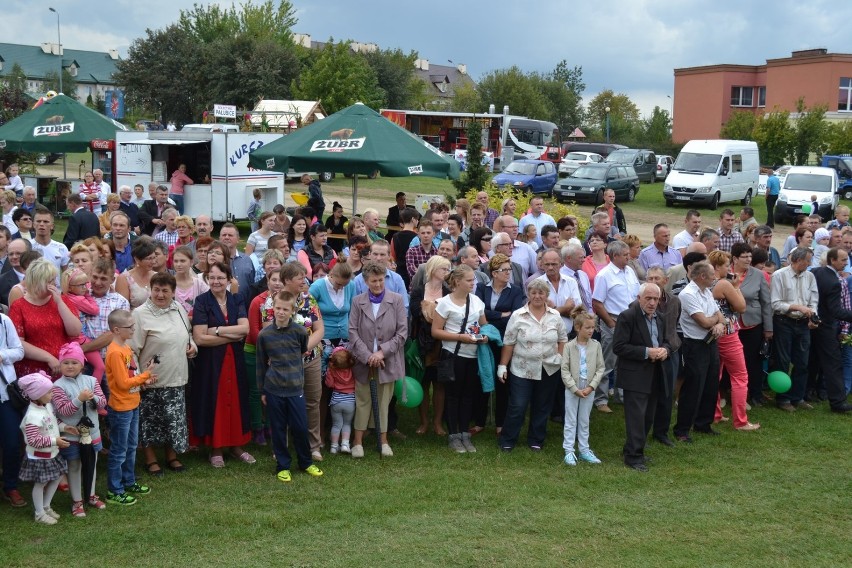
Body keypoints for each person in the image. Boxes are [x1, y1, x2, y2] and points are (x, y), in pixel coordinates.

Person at [133, 273, 197, 477]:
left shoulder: (178, 308)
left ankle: (172, 456)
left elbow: (187, 335)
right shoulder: (140, 314)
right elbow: (132, 349)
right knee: (150, 421)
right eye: (156, 290)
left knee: (173, 420)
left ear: (173, 292)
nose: (160, 295)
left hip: (177, 376)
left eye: (165, 291)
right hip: (152, 379)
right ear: (150, 290)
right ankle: (151, 460)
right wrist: (137, 377)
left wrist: (192, 347)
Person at [190, 262, 254, 467]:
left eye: (220, 277)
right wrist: (230, 336)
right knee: (214, 400)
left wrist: (216, 330)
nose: (216, 281)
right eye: (212, 277)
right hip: (211, 363)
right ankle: (216, 448)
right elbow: (199, 339)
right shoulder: (201, 301)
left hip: (234, 361)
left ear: (228, 279)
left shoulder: (237, 299)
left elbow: (245, 329)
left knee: (236, 400)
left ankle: (236, 446)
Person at [256, 290, 324, 482]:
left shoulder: (300, 332)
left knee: (301, 427)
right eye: (278, 308)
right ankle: (283, 465)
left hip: (295, 388)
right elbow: (261, 364)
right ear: (273, 309)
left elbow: (302, 351)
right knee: (278, 428)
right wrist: (262, 390)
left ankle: (306, 462)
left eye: (285, 309)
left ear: (292, 311)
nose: (281, 312)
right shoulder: (264, 335)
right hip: (274, 388)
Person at [497, 278, 568, 452]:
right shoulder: (518, 315)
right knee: (518, 405)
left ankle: (536, 439)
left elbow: (562, 339)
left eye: (541, 293)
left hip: (549, 368)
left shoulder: (555, 315)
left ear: (547, 295)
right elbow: (509, 342)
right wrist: (502, 366)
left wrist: (559, 357)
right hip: (522, 368)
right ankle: (508, 438)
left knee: (542, 405)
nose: (537, 296)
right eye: (533, 293)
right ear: (528, 294)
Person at [347, 262, 408, 458]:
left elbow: (402, 332)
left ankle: (383, 441)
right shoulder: (358, 301)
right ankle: (357, 443)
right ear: (365, 281)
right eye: (374, 281)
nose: (378, 284)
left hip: (387, 360)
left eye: (381, 280)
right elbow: (352, 331)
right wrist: (367, 356)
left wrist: (381, 353)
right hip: (363, 361)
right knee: (362, 399)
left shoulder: (396, 300)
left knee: (384, 402)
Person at [613, 283, 671, 472]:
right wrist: (647, 352)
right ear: (639, 298)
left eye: (656, 299)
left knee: (648, 417)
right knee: (636, 417)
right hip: (635, 375)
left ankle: (634, 449)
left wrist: (665, 350)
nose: (653, 302)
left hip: (655, 372)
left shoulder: (660, 318)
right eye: (648, 298)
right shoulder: (627, 317)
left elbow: (665, 341)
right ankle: (633, 457)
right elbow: (619, 347)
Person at [431, 265, 488, 453]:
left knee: (468, 396)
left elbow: (483, 325)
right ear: (457, 282)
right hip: (453, 355)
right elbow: (436, 331)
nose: (473, 283)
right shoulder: (445, 303)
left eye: (474, 280)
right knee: (453, 396)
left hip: (473, 355)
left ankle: (465, 433)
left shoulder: (477, 301)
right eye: (469, 280)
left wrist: (485, 336)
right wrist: (459, 337)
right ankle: (453, 435)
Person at [104, 309, 155, 506]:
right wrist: (145, 375)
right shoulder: (115, 352)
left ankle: (128, 481)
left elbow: (130, 377)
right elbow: (124, 383)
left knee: (132, 446)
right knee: (119, 449)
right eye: (130, 327)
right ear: (117, 329)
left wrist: (144, 380)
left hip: (133, 403)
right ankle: (114, 490)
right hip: (121, 408)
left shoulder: (125, 348)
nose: (134, 329)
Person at [51, 342, 107, 517]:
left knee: (92, 463)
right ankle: (77, 501)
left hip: (92, 433)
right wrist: (79, 399)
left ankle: (90, 495)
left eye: (74, 362)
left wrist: (93, 399)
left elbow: (103, 402)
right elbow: (63, 410)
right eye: (65, 363)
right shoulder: (57, 386)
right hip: (71, 435)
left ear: (82, 364)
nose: (70, 366)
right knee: (74, 466)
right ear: (60, 365)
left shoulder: (91, 381)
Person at [707, 250, 760, 431]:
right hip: (728, 334)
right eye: (725, 265)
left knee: (716, 375)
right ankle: (741, 421)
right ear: (717, 267)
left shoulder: (704, 283)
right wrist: (736, 286)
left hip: (713, 335)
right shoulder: (723, 284)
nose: (728, 268)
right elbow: (741, 307)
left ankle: (714, 414)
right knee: (740, 377)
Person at [674, 261, 726, 442]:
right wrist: (716, 321)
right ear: (702, 276)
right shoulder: (687, 294)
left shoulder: (706, 292)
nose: (715, 277)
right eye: (712, 275)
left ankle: (703, 423)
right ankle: (682, 429)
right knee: (693, 387)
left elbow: (720, 317)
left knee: (711, 385)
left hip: (710, 343)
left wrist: (719, 324)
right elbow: (703, 322)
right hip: (694, 345)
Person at [474, 253, 525, 436]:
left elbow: (515, 315)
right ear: (494, 273)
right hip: (485, 341)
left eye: (509, 269)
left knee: (503, 381)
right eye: (504, 270)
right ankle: (479, 421)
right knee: (483, 376)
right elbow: (479, 311)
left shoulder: (516, 290)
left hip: (505, 341)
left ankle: (500, 423)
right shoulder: (482, 288)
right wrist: (500, 315)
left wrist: (491, 317)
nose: (508, 273)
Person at [280, 262, 326, 461]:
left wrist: (304, 348)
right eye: (300, 277)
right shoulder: (273, 301)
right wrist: (290, 353)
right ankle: (283, 445)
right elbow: (270, 331)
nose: (304, 280)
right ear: (287, 280)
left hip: (311, 359)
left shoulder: (310, 300)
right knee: (283, 404)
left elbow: (319, 329)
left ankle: (313, 445)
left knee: (312, 402)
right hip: (283, 362)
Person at [17, 372, 73, 524]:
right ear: (37, 395)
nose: (52, 394)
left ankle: (46, 506)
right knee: (40, 484)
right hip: (39, 456)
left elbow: (51, 424)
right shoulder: (33, 416)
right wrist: (56, 441)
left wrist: (65, 427)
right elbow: (33, 440)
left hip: (51, 452)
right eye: (49, 392)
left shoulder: (46, 406)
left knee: (56, 477)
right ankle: (39, 513)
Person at [10, 259, 81, 377]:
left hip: (64, 366)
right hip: (34, 370)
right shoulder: (19, 306)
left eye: (54, 279)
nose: (54, 284)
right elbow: (18, 343)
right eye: (50, 281)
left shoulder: (62, 300)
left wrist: (59, 303)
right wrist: (48, 357)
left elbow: (75, 331)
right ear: (37, 282)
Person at [592, 241, 640, 413]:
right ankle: (601, 399)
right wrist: (611, 323)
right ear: (614, 256)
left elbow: (636, 296)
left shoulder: (630, 272)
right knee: (608, 362)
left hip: (630, 321)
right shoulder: (604, 275)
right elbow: (597, 303)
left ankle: (621, 395)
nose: (629, 256)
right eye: (625, 254)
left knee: (625, 361)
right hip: (613, 320)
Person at [770, 247, 818, 412]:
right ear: (798, 260)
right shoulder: (779, 275)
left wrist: (812, 316)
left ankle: (797, 397)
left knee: (803, 362)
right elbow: (775, 303)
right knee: (783, 361)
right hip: (784, 322)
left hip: (803, 324)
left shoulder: (810, 276)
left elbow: (814, 300)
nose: (810, 263)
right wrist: (796, 307)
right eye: (808, 260)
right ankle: (783, 399)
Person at [409, 255, 451, 436]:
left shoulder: (448, 291)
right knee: (424, 383)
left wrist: (430, 310)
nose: (447, 272)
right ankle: (424, 422)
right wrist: (434, 311)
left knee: (440, 384)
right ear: (434, 270)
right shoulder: (419, 290)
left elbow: (450, 314)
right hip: (422, 341)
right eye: (444, 269)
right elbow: (415, 311)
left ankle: (438, 423)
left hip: (441, 343)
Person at [809, 247, 852, 413]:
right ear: (832, 260)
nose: (846, 262)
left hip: (812, 324)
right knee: (833, 364)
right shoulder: (834, 282)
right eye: (843, 260)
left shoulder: (816, 271)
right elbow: (835, 310)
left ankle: (806, 393)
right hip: (826, 327)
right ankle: (838, 402)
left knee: (811, 360)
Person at [560, 308, 604, 466]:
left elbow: (600, 368)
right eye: (588, 327)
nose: (591, 330)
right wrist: (574, 388)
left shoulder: (596, 346)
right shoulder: (569, 347)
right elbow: (564, 370)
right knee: (571, 420)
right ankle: (569, 450)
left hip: (588, 388)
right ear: (578, 328)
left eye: (593, 327)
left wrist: (591, 387)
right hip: (573, 388)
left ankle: (584, 450)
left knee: (584, 419)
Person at [644, 267, 682, 446]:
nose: (653, 281)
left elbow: (674, 327)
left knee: (667, 394)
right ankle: (641, 432)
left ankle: (661, 432)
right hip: (649, 354)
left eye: (657, 278)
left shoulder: (675, 301)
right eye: (650, 278)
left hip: (670, 351)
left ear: (665, 281)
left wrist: (667, 348)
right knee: (647, 395)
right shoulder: (640, 303)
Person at [61, 267, 105, 382]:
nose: (85, 287)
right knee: (100, 367)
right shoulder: (78, 299)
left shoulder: (65, 297)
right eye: (81, 285)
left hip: (71, 340)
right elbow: (95, 309)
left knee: (78, 371)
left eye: (86, 283)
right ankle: (93, 391)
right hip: (80, 339)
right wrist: (88, 295)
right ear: (70, 287)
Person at [0, 310, 25, 508]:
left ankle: (10, 485)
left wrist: (1, 355)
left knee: (12, 442)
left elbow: (19, 351)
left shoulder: (3, 320)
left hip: (5, 394)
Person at [325, 346, 356, 454]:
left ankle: (333, 447)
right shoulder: (353, 369)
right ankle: (345, 445)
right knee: (347, 424)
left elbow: (329, 384)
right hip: (350, 401)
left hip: (336, 400)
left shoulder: (332, 370)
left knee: (336, 424)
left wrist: (329, 371)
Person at [31, 207, 69, 275]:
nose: (41, 224)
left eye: (46, 222)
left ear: (52, 226)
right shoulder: (27, 246)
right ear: (33, 225)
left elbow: (67, 274)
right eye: (38, 221)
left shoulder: (61, 248)